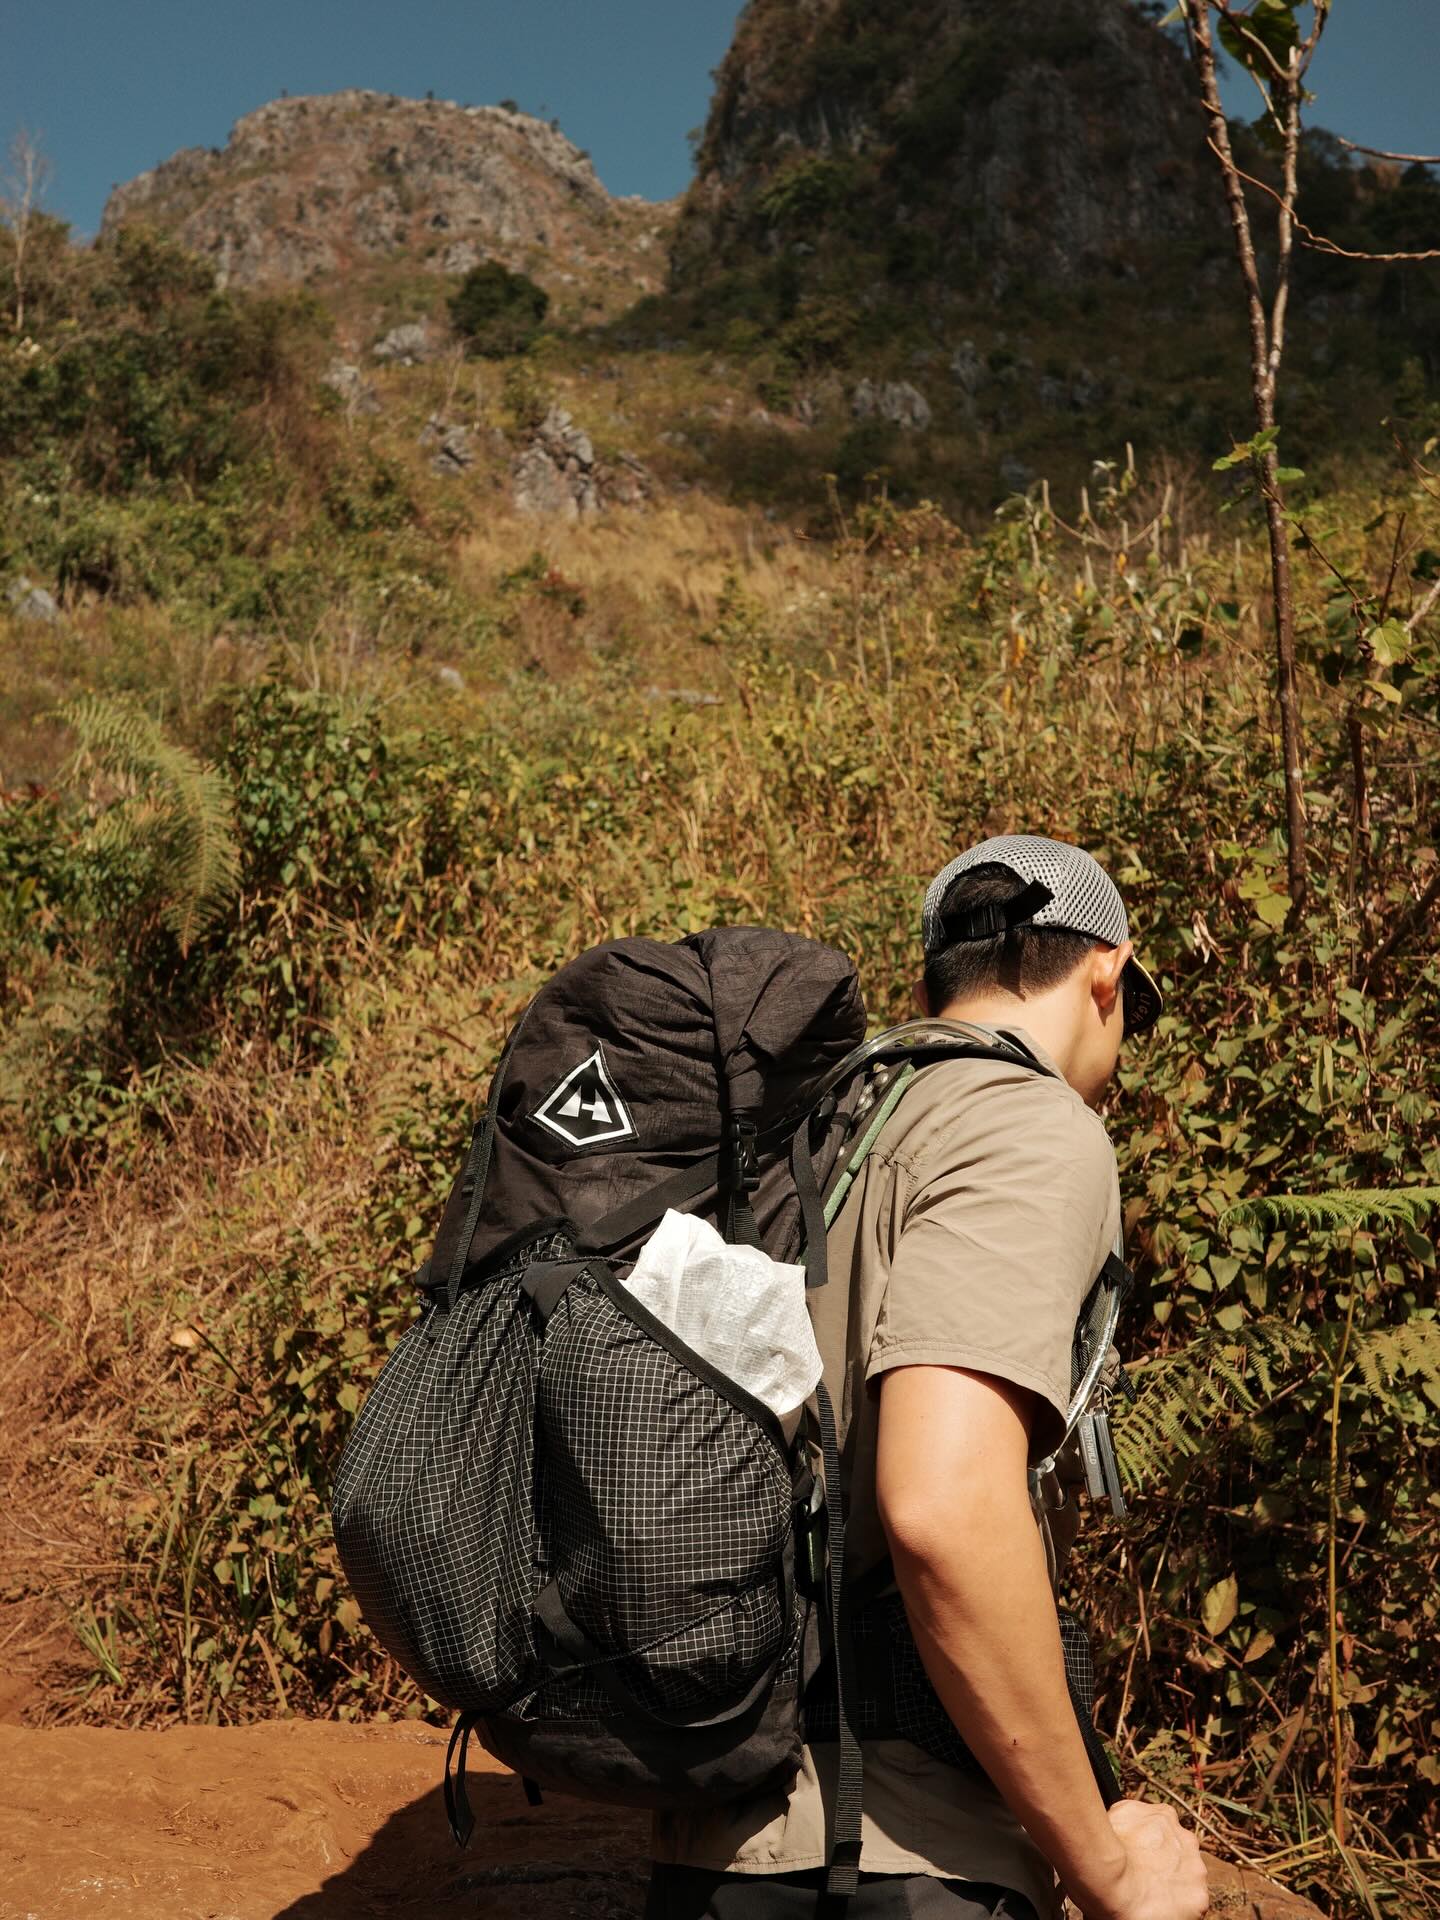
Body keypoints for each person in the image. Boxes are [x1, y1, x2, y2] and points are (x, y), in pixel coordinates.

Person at [648, 836, 1210, 1920]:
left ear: (932, 988)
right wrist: (1109, 1870)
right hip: (899, 1856)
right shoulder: (1028, 1127)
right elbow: (944, 1509)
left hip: (715, 1835)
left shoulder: (823, 1129)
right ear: (1106, 975)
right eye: (1133, 1008)